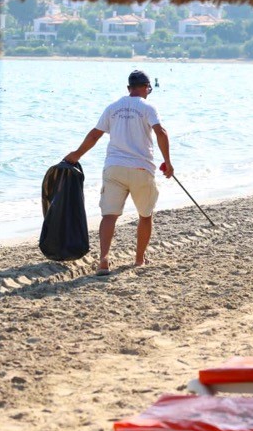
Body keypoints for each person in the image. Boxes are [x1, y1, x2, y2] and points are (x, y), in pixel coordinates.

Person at [64, 70, 173, 276]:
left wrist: (77, 154)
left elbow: (96, 134)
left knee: (109, 216)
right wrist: (167, 162)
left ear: (129, 88)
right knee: (145, 215)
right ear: (146, 87)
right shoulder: (148, 107)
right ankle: (139, 259)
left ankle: (104, 260)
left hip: (114, 167)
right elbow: (161, 132)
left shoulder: (113, 107)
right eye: (148, 88)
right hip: (141, 169)